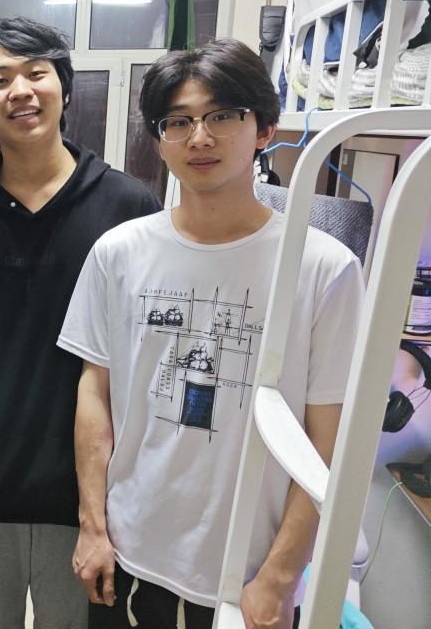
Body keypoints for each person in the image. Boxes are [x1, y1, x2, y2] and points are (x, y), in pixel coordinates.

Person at [58, 39, 365, 629]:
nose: (199, 138)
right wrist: (93, 526)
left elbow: (329, 441)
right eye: (178, 122)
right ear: (160, 139)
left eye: (222, 116)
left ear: (265, 128)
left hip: (246, 577)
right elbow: (94, 392)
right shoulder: (119, 253)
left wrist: (280, 577)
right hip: (128, 554)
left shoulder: (323, 268)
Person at [0, 17, 160, 629]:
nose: (20, 90)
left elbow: (147, 347)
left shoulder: (127, 206)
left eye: (36, 73)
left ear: (64, 88)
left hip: (87, 494)